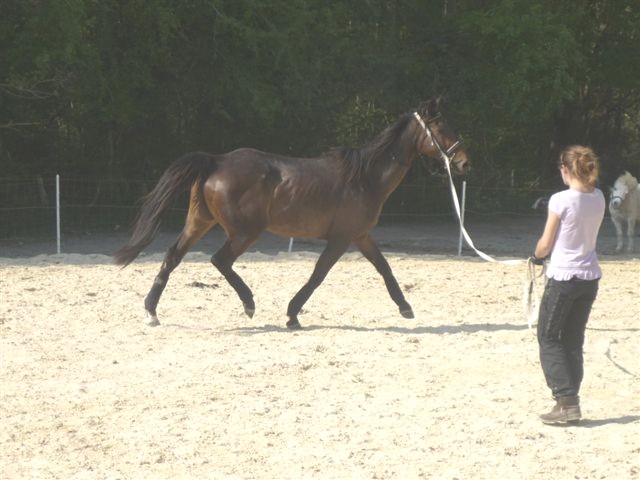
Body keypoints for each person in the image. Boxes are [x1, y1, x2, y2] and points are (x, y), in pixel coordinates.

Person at [530, 145, 605, 425]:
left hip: (564, 277)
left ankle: (565, 401)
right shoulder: (598, 197)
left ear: (565, 169)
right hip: (589, 277)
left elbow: (545, 243)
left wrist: (536, 256)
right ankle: (571, 398)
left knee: (548, 338)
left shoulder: (560, 199)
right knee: (573, 339)